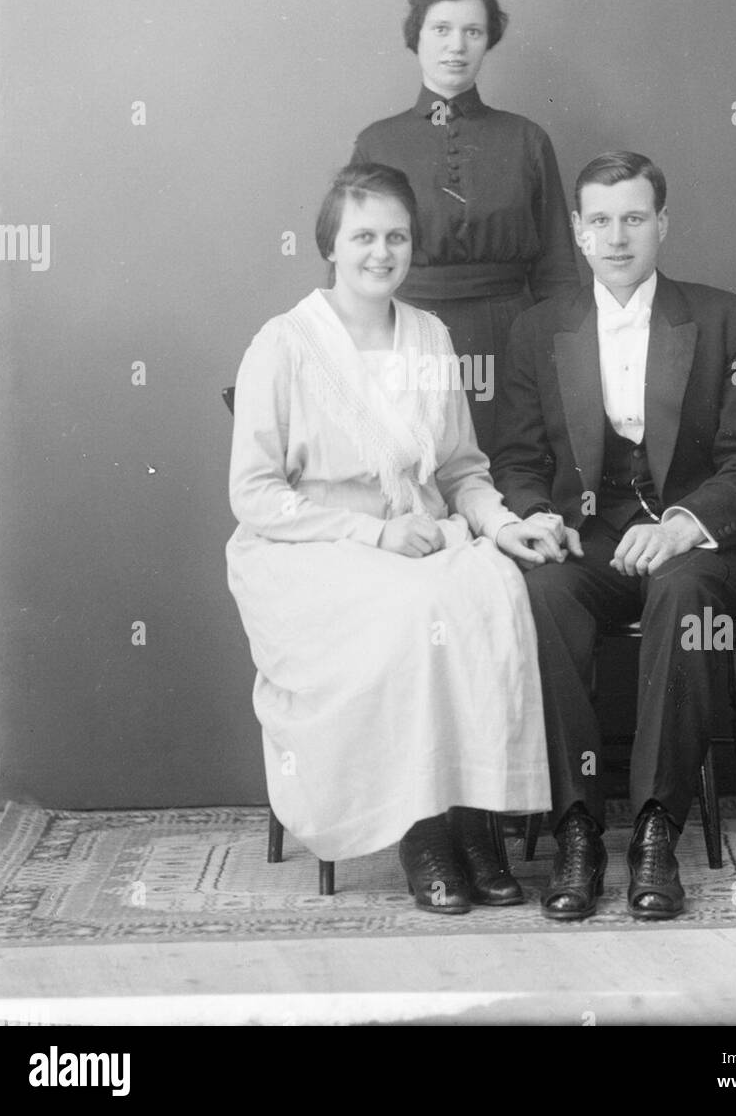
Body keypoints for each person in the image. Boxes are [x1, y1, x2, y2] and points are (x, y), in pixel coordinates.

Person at [226, 162, 558, 915]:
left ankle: (475, 819)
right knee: (412, 617)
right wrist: (371, 532)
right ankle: (423, 830)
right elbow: (252, 494)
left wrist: (505, 525)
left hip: (422, 536)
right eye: (364, 236)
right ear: (331, 246)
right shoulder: (282, 345)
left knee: (493, 590)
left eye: (397, 237)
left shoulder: (430, 336)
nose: (382, 252)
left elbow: (463, 469)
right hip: (310, 549)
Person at [491, 151, 736, 921]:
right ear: (577, 230)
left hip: (696, 545)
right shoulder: (538, 330)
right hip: (588, 538)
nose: (616, 236)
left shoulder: (723, 318)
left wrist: (686, 524)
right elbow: (519, 460)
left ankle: (657, 829)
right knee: (541, 590)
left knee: (683, 588)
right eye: (599, 220)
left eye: (633, 218)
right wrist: (534, 517)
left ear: (661, 224)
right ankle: (577, 830)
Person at [350, 0, 580, 458]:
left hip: (507, 339)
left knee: (506, 481)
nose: (457, 46)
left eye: (473, 31)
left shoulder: (526, 140)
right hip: (404, 335)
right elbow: (348, 272)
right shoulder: (377, 143)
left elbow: (558, 271)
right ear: (417, 34)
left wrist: (560, 365)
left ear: (488, 39)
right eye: (442, 29)